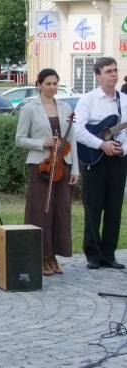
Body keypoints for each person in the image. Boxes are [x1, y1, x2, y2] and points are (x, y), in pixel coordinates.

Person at [15, 68, 79, 276]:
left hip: (62, 165)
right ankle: (40, 255)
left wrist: (75, 169)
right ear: (39, 85)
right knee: (40, 211)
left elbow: (71, 140)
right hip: (41, 165)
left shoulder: (65, 108)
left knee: (60, 211)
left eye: (55, 84)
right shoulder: (30, 108)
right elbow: (20, 139)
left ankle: (53, 255)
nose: (52, 87)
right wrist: (42, 143)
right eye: (48, 83)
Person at [74, 57, 127, 270]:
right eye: (108, 71)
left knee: (114, 207)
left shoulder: (124, 100)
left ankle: (108, 254)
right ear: (98, 76)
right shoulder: (88, 100)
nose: (113, 74)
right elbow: (78, 130)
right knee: (93, 207)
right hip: (94, 159)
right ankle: (93, 253)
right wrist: (101, 144)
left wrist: (123, 148)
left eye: (115, 70)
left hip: (118, 159)